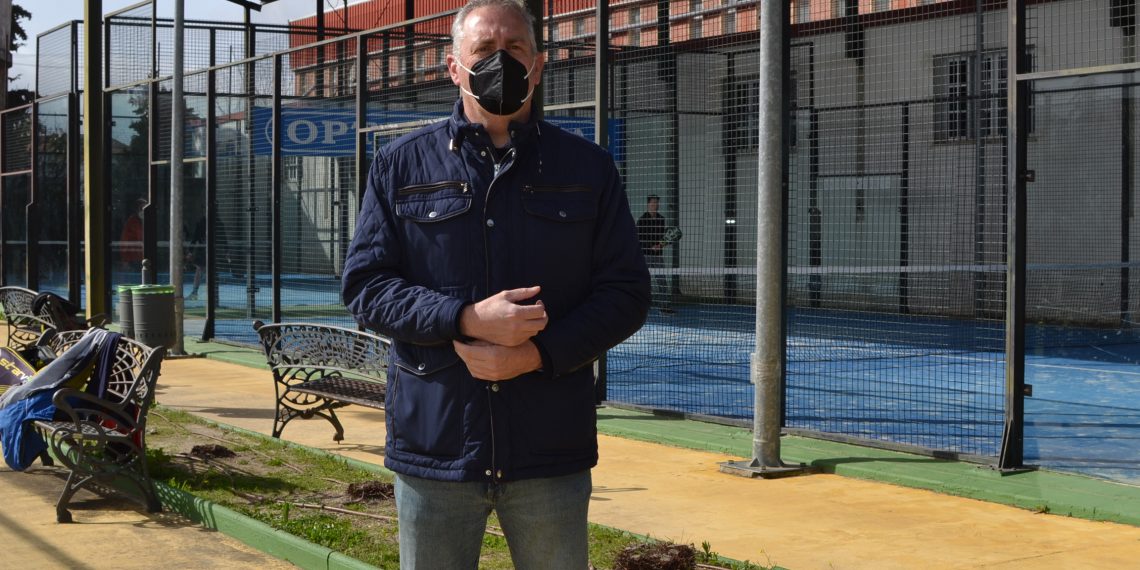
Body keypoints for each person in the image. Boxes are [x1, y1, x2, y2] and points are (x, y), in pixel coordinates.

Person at [341, 1, 650, 568]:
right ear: (454, 66)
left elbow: (626, 292)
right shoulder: (400, 165)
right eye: (484, 51)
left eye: (515, 49)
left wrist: (536, 355)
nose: (500, 61)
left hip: (548, 450)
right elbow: (366, 284)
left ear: (538, 65)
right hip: (437, 450)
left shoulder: (588, 168)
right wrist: (463, 318)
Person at [637, 194, 673, 314]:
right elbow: (639, 239)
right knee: (644, 281)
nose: (655, 205)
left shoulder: (661, 219)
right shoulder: (642, 220)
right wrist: (650, 246)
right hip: (645, 255)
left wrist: (661, 245)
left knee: (662, 280)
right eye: (653, 202)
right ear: (648, 204)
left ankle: (664, 307)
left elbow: (662, 237)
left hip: (658, 256)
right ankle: (642, 306)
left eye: (657, 203)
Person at [119, 198, 146, 273]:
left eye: (145, 208)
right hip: (134, 258)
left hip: (144, 257)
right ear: (137, 209)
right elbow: (125, 241)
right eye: (141, 208)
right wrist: (125, 261)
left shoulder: (147, 221)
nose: (143, 211)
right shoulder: (132, 221)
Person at [184, 216, 206, 300]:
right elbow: (195, 238)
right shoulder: (200, 223)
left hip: (212, 252)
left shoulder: (217, 222)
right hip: (203, 252)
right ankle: (195, 292)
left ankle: (195, 292)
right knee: (199, 270)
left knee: (201, 271)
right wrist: (190, 251)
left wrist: (226, 250)